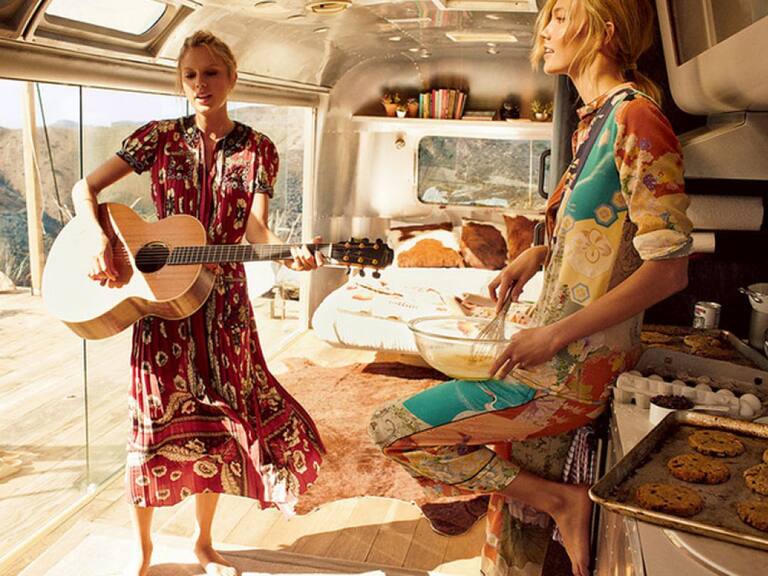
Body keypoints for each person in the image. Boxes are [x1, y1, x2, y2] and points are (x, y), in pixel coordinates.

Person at [368, 1, 692, 575]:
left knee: (393, 429)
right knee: (512, 533)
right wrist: (538, 253)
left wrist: (553, 335)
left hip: (573, 369)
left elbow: (668, 269)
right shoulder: (596, 121)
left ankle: (560, 501)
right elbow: (603, 235)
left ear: (605, 31)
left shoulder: (637, 119)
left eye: (561, 15)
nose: (544, 30)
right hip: (555, 356)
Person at [71, 30, 326, 576]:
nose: (200, 84)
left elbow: (256, 232)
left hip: (225, 307)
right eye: (190, 75)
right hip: (161, 304)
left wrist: (290, 255)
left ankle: (203, 543)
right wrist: (99, 239)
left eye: (211, 73)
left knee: (217, 422)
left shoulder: (260, 149)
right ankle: (142, 552)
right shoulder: (157, 138)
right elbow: (84, 189)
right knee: (151, 421)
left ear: (232, 77)